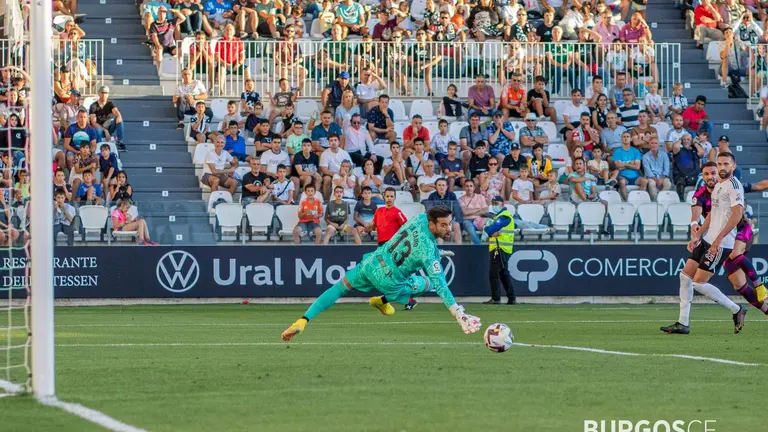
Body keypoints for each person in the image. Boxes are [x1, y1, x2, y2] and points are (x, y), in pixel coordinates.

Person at [281, 207, 482, 342]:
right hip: (390, 281)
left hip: (373, 262)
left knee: (339, 288)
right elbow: (442, 286)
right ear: (432, 225)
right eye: (443, 225)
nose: (448, 228)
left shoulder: (420, 218)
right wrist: (459, 314)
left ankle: (302, 321)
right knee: (428, 284)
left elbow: (415, 240)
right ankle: (384, 299)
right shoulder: (428, 253)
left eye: (449, 224)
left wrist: (436, 253)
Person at [661, 157, 749, 334]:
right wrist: (698, 235)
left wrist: (718, 239)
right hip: (708, 238)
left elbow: (738, 213)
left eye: (725, 164)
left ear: (733, 165)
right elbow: (711, 215)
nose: (722, 167)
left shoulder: (734, 185)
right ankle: (683, 323)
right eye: (720, 164)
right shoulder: (719, 187)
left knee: (698, 283)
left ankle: (737, 309)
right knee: (685, 276)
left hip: (721, 243)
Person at [481, 196, 516, 305]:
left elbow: (492, 228)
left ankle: (496, 298)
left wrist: (487, 229)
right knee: (503, 273)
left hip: (500, 248)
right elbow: (493, 230)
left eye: (496, 203)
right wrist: (491, 230)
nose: (494, 205)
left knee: (494, 273)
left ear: (502, 204)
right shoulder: (498, 217)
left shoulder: (505, 216)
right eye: (493, 203)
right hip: (499, 248)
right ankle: (511, 298)